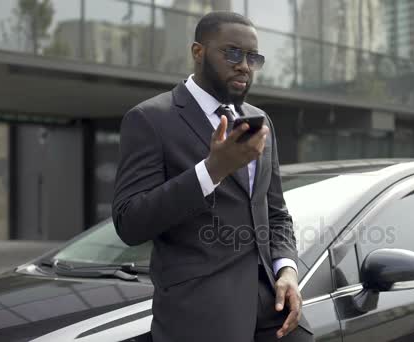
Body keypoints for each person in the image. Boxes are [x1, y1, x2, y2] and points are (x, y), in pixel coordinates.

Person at [112, 11, 313, 342]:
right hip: (199, 313)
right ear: (198, 52)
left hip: (273, 309)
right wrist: (211, 171)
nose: (244, 65)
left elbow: (274, 212)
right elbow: (129, 223)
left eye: (253, 57)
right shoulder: (150, 119)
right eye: (232, 53)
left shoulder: (259, 120)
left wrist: (286, 270)